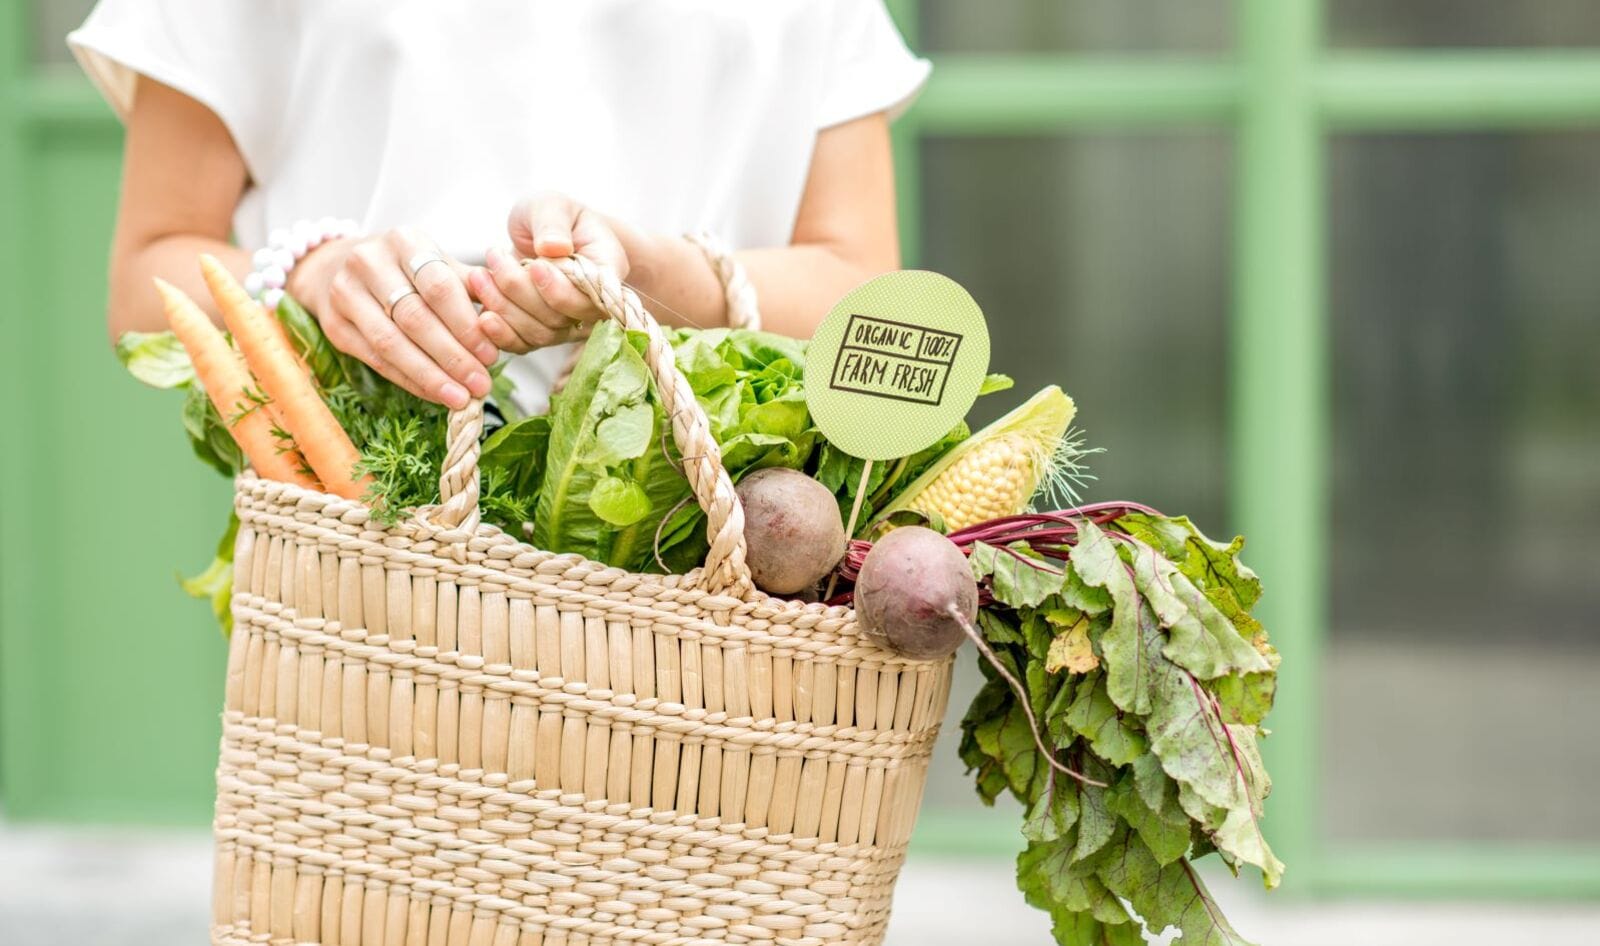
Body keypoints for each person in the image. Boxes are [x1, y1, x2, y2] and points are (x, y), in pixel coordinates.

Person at [70, 1, 929, 416]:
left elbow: (867, 302)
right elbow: (147, 282)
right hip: (362, 577)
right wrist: (319, 274)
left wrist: (658, 278)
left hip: (720, 601)